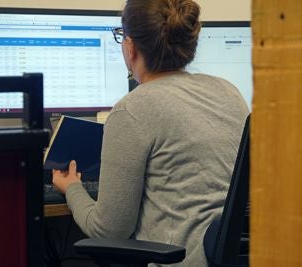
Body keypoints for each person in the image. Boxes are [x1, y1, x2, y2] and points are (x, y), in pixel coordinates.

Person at [51, 0, 249, 265]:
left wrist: (72, 187)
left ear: (130, 47)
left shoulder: (132, 109)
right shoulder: (229, 92)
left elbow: (108, 230)